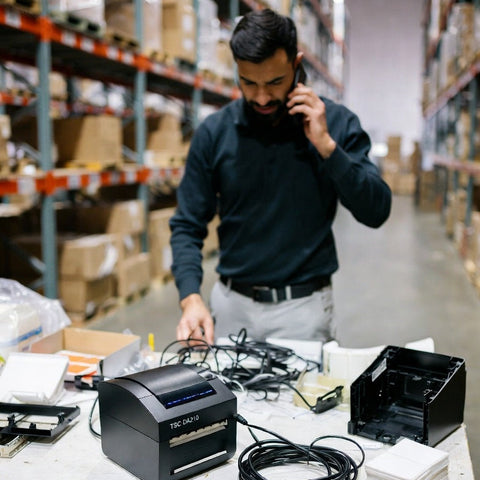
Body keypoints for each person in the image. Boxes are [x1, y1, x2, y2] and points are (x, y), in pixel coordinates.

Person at [169, 8, 391, 345]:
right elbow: (187, 224)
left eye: (274, 82)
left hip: (303, 311)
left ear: (296, 64)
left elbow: (376, 211)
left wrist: (327, 147)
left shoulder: (337, 124)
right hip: (230, 308)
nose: (261, 97)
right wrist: (191, 297)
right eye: (248, 83)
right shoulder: (214, 133)